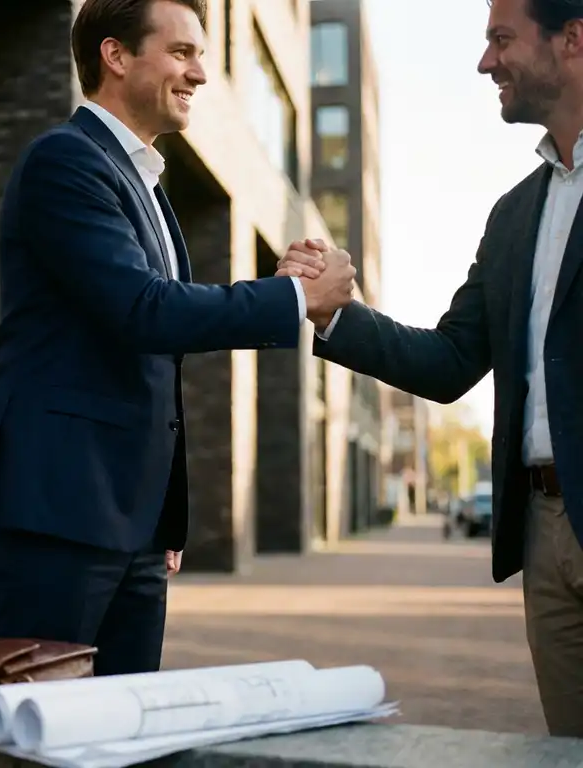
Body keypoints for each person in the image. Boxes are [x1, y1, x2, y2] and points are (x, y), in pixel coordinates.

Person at [0, 0, 356, 676]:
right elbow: (144, 311)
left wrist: (161, 515)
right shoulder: (65, 160)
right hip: (59, 515)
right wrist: (292, 298)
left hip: (134, 527)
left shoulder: (146, 186)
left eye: (201, 55)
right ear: (116, 55)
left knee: (127, 718)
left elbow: (152, 353)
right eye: (181, 53)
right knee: (38, 719)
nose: (200, 73)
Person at [277, 0, 583, 737]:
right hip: (545, 530)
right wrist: (335, 313)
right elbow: (449, 362)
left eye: (502, 39)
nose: (485, 62)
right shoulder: (515, 215)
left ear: (572, 40)